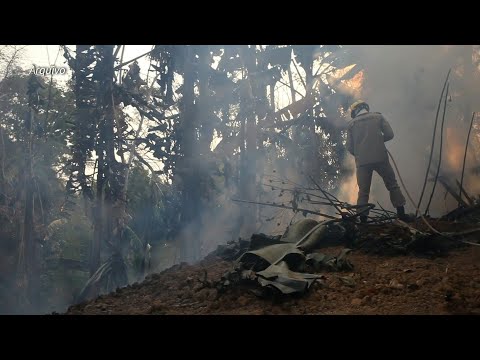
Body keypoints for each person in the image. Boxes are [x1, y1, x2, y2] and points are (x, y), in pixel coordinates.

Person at [346, 100, 412, 223]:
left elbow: (349, 147)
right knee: (392, 184)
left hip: (363, 163)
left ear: (355, 111)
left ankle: (363, 220)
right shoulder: (378, 117)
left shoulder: (351, 125)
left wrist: (361, 152)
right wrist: (378, 142)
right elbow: (390, 134)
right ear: (366, 108)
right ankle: (401, 214)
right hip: (381, 158)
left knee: (363, 191)